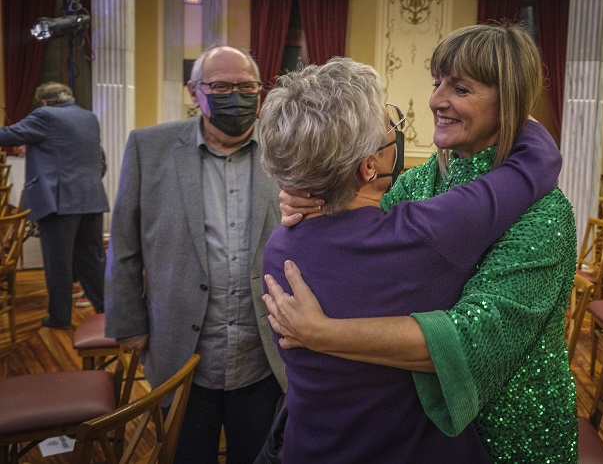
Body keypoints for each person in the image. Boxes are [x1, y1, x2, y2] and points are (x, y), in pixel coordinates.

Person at [267, 24, 578, 462]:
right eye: (437, 83)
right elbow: (358, 237)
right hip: (418, 430)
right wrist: (313, 195)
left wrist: (321, 333)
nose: (435, 100)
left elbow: (476, 342)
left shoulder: (544, 212)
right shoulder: (419, 180)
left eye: (461, 88)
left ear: (506, 101)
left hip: (507, 425)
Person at [105, 46, 285, 464]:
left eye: (246, 86)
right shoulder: (148, 147)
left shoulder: (285, 149)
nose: (234, 96)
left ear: (260, 92)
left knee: (258, 455)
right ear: (194, 91)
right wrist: (129, 322)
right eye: (220, 86)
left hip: (262, 352)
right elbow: (125, 243)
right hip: (180, 352)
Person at [0, 82, 107, 329]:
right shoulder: (89, 117)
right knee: (92, 259)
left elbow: (7, 135)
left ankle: (59, 318)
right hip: (91, 198)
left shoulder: (45, 115)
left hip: (59, 201)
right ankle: (105, 309)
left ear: (45, 102)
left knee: (57, 262)